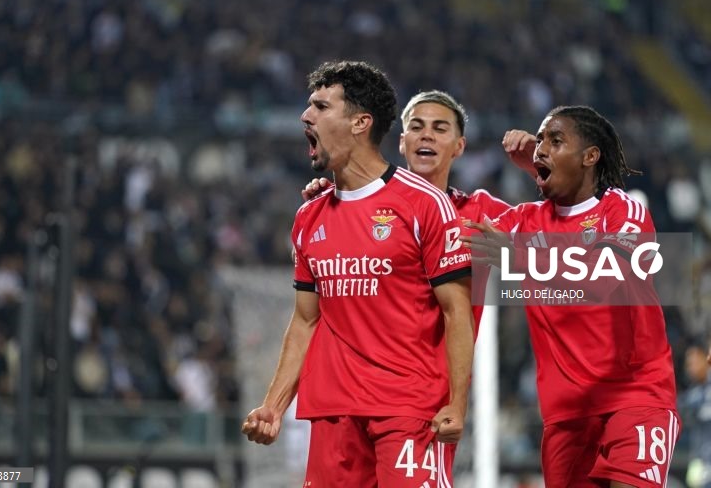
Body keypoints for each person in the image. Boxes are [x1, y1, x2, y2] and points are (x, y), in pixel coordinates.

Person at [241, 61, 475, 486]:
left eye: (320, 106)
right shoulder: (308, 217)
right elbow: (305, 320)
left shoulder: (424, 204)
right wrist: (273, 406)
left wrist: (458, 404)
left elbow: (456, 311)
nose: (305, 116)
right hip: (332, 413)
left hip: (408, 410)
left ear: (359, 123)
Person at [465, 105, 680, 487]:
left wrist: (520, 257)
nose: (541, 147)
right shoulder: (523, 221)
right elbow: (446, 229)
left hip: (635, 400)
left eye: (556, 140)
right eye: (541, 140)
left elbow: (607, 271)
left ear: (590, 156)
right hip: (566, 418)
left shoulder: (622, 210)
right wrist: (334, 195)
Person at [304, 89, 511, 336]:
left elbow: (562, 262)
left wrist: (537, 169)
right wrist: (334, 204)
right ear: (403, 142)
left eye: (440, 129)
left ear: (459, 146)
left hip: (445, 372)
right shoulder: (363, 208)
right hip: (369, 369)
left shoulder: (479, 212)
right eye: (416, 127)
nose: (426, 136)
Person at [682, 339, 711, 488]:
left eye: (693, 362)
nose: (690, 368)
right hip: (701, 465)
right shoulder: (694, 394)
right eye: (688, 364)